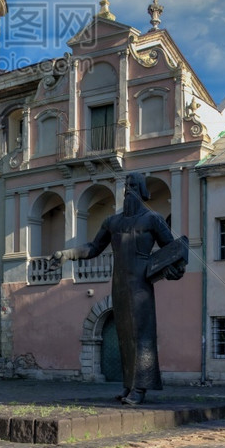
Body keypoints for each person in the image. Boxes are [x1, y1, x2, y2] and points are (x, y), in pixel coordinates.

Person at [49, 172, 186, 405]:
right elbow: (93, 247)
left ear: (143, 190)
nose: (129, 190)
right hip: (120, 281)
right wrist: (66, 254)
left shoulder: (153, 219)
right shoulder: (112, 221)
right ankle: (129, 384)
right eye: (127, 186)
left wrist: (177, 270)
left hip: (142, 282)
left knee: (141, 335)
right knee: (124, 334)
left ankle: (140, 388)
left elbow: (173, 250)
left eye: (135, 185)